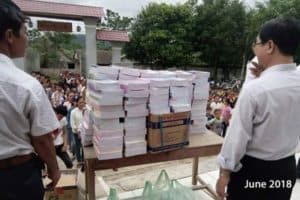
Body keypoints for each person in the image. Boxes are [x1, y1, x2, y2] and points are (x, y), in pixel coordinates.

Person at [216, 17, 300, 200]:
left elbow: (237, 137)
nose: (256, 50)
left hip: (253, 171)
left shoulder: (256, 90)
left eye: (258, 44)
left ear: (270, 46)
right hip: (286, 169)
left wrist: (225, 173)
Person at [0, 1, 60, 199]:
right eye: (25, 32)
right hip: (17, 178)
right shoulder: (25, 85)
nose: (27, 39)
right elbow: (42, 140)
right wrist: (54, 168)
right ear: (9, 36)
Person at [70, 96, 85, 164]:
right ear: (77, 103)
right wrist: (78, 132)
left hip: (85, 133)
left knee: (84, 147)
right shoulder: (73, 112)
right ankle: (79, 160)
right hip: (77, 133)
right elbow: (72, 124)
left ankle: (84, 159)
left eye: (83, 102)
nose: (82, 104)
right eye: (80, 102)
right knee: (78, 147)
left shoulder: (86, 110)